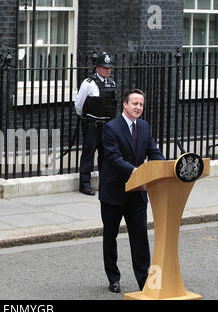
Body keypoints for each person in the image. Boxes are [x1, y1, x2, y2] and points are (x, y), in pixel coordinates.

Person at [99, 88, 165, 293]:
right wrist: (136, 171)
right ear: (125, 105)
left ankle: (144, 281)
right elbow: (113, 157)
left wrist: (166, 169)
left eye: (141, 104)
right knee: (110, 237)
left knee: (140, 238)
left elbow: (153, 152)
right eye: (135, 103)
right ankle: (113, 278)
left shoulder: (144, 127)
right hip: (114, 192)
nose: (138, 107)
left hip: (137, 192)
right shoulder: (111, 128)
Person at [74, 52, 117, 196]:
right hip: (93, 124)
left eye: (109, 67)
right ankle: (84, 184)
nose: (107, 70)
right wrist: (85, 118)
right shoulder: (89, 83)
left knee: (105, 155)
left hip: (107, 124)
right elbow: (79, 105)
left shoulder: (112, 83)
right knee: (88, 154)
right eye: (104, 67)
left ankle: (105, 183)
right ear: (97, 68)